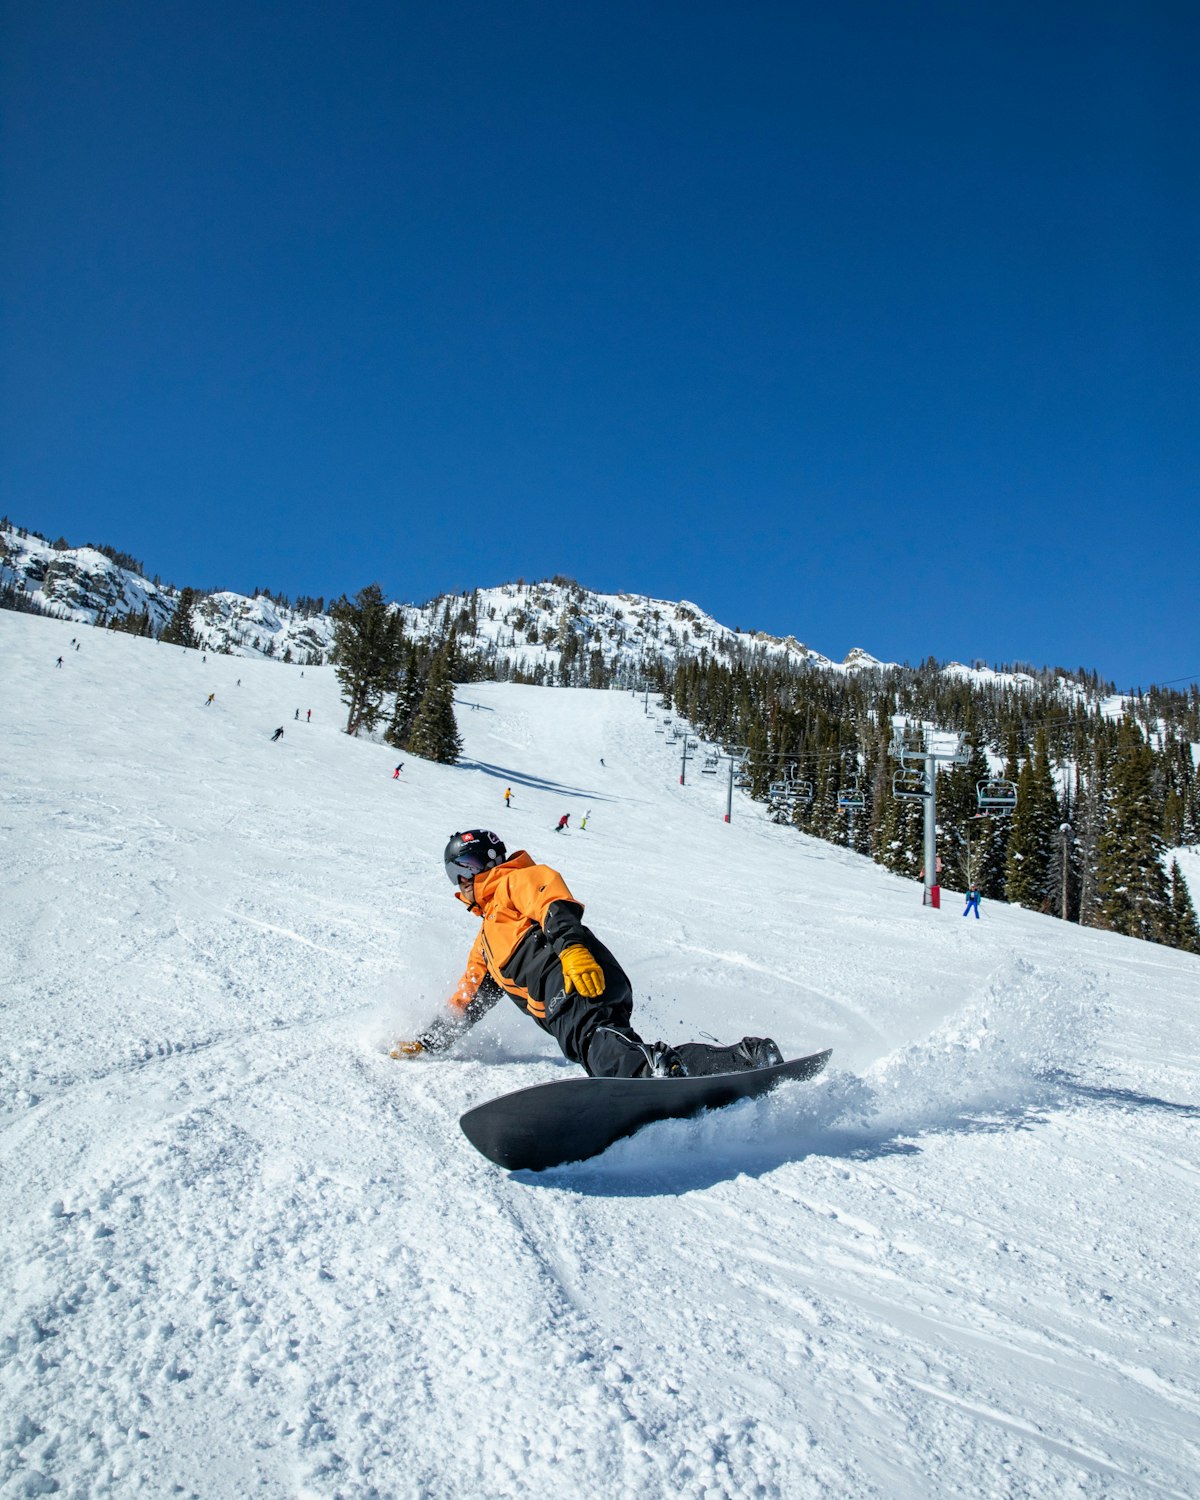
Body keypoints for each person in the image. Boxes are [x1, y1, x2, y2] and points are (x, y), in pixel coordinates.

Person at [392, 831, 783, 1079]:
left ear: (484, 865)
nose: (462, 883)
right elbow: (469, 1001)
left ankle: (652, 1077)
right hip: (580, 990)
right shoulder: (485, 945)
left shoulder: (513, 880)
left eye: (465, 870)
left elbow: (552, 900)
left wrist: (573, 949)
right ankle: (743, 1059)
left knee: (607, 1055)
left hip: (575, 977)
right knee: (619, 1050)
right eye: (455, 874)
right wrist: (427, 1042)